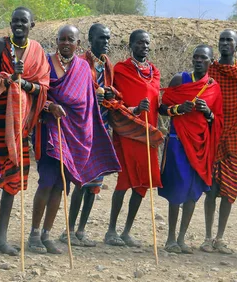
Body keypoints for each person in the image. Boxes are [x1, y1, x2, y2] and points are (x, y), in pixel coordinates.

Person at [29, 25, 120, 254]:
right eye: (62, 39)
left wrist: (87, 133)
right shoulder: (45, 63)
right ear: (57, 41)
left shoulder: (83, 68)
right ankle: (33, 234)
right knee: (47, 181)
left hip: (73, 134)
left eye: (71, 40)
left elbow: (87, 104)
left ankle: (47, 235)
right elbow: (36, 93)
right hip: (50, 129)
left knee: (61, 186)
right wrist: (49, 106)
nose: (66, 43)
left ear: (78, 44)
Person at [0, 7, 50, 255]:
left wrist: (24, 83)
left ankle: (1, 237)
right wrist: (10, 79)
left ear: (32, 25)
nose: (19, 25)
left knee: (12, 181)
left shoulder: (38, 52)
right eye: (15, 21)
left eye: (24, 21)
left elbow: (42, 89)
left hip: (22, 124)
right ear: (10, 24)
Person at [158, 45, 223, 254]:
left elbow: (218, 120)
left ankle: (182, 238)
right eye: (195, 57)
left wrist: (207, 113)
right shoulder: (180, 79)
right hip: (178, 142)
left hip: (200, 146)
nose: (198, 61)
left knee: (193, 191)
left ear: (211, 62)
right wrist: (178, 109)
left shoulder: (214, 87)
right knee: (177, 189)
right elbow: (162, 107)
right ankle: (170, 239)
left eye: (203, 58)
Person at [105, 29, 163, 248]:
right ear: (131, 45)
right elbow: (114, 101)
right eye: (139, 43)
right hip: (127, 132)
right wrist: (135, 109)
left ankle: (127, 231)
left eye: (147, 43)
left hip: (148, 134)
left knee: (142, 183)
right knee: (124, 181)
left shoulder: (155, 73)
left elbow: (158, 102)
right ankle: (111, 230)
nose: (144, 47)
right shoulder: (120, 70)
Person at [62, 23, 117, 247]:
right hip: (83, 127)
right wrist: (93, 95)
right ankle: (69, 230)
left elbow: (112, 95)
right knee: (82, 181)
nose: (105, 42)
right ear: (90, 39)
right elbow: (74, 92)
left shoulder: (107, 65)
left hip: (102, 126)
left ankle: (81, 230)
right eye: (101, 38)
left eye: (107, 39)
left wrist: (110, 95)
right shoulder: (82, 63)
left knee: (95, 183)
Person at [201, 30, 237, 254]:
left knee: (230, 190)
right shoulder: (210, 70)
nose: (224, 43)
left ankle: (220, 237)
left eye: (229, 40)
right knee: (211, 189)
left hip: (236, 138)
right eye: (221, 40)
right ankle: (207, 236)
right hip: (212, 135)